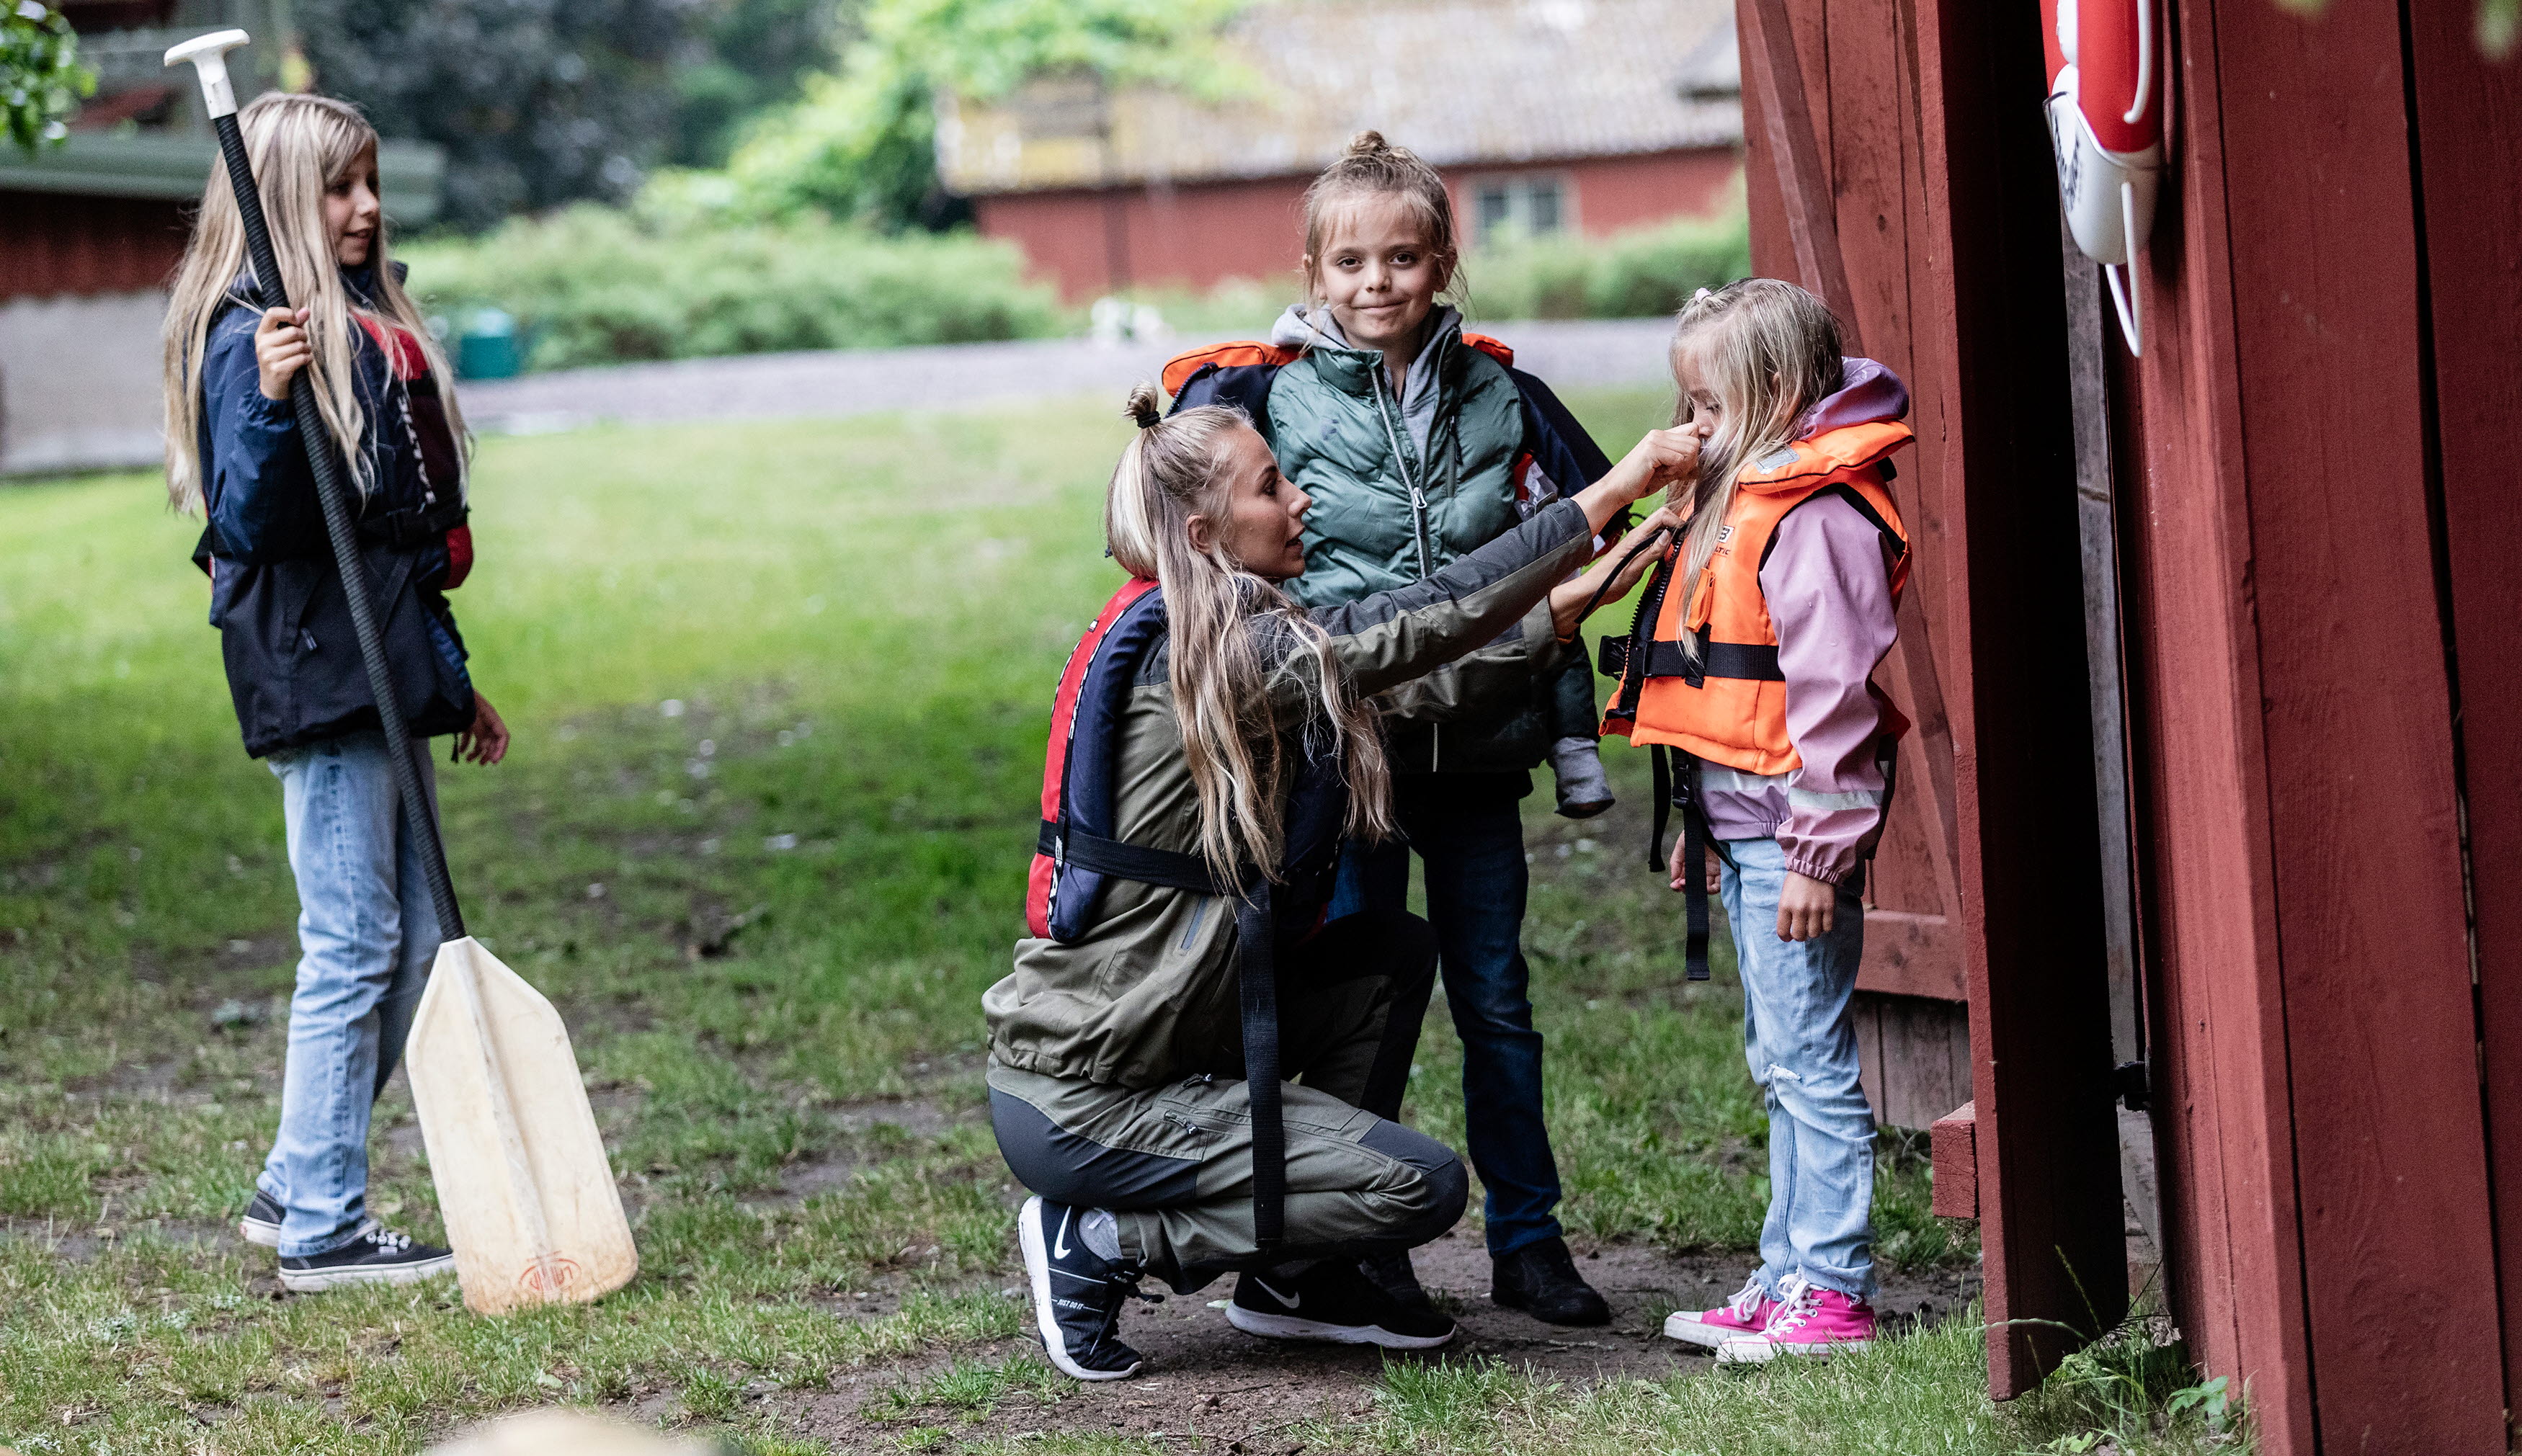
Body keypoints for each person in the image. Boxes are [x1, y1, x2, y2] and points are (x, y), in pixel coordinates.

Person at [986, 384, 1687, 1380]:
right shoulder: (1219, 650)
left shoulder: (1222, 641)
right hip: (1092, 1099)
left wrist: (1555, 620)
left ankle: (1294, 1279)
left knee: (1389, 953)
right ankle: (1103, 1243)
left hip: (1156, 1048)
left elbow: (1400, 682)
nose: (1300, 498)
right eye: (1271, 485)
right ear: (1205, 529)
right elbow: (1411, 624)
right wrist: (1611, 491)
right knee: (1421, 1185)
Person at [1162, 132, 1621, 1326]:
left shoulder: (1502, 394)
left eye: (1404, 258)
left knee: (1496, 999)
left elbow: (1590, 518)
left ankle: (1531, 1241)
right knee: (1368, 1004)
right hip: (1343, 760)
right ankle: (1364, 1243)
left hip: (1476, 754)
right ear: (1314, 273)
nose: (1378, 284)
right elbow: (1194, 538)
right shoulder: (1266, 396)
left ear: (1444, 262)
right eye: (1352, 262)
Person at [163, 92, 507, 1292]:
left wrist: (454, 684)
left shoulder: (360, 321)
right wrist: (263, 399)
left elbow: (396, 540)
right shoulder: (244, 332)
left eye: (371, 184)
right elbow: (250, 523)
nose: (365, 209)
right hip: (318, 680)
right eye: (337, 188)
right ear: (273, 204)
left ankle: (293, 1179)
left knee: (410, 950)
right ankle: (321, 1222)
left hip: (381, 671)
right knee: (354, 945)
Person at [1603, 279, 1915, 1363]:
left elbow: (1833, 700)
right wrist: (1702, 815)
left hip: (1796, 841)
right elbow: (1722, 695)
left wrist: (1818, 857)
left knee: (1810, 1061)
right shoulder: (1745, 499)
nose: (1690, 432)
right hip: (1746, 827)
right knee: (1776, 1056)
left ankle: (1832, 1291)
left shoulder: (1816, 519)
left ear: (1777, 394)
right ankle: (1789, 1270)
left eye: (1706, 409)